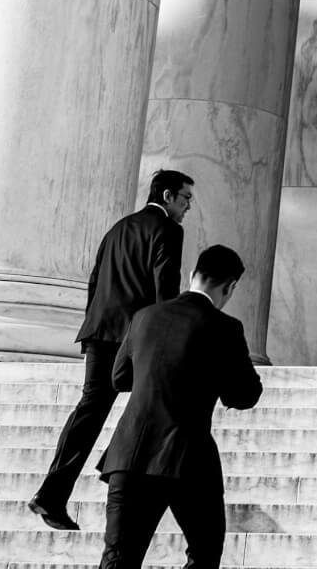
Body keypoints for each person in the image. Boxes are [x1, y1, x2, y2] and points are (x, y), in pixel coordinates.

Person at [31, 168, 193, 530]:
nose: (187, 207)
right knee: (153, 405)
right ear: (167, 196)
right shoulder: (168, 229)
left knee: (90, 411)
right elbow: (164, 286)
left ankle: (51, 494)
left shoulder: (118, 227)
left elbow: (94, 278)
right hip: (134, 336)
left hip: (99, 330)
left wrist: (91, 325)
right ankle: (118, 478)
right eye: (185, 199)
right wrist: (171, 335)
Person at [96, 244, 263, 569]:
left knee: (117, 559)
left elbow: (119, 378)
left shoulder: (144, 316)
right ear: (229, 287)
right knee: (205, 551)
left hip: (129, 454)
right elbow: (245, 393)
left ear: (192, 275)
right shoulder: (225, 327)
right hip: (188, 457)